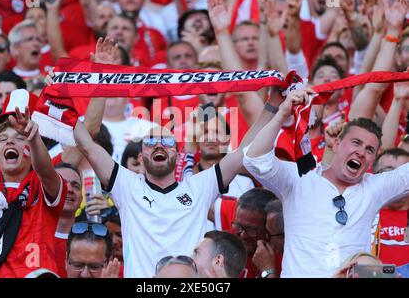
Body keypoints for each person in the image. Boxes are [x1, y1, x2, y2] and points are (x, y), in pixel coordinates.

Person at [73, 105, 262, 276]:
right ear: (140, 157)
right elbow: (87, 145)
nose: (159, 145)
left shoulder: (199, 186)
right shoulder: (126, 184)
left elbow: (244, 150)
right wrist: (59, 105)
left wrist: (274, 108)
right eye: (150, 142)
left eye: (168, 142)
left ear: (177, 155)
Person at [244, 88, 409, 277]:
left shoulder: (374, 187)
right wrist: (282, 113)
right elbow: (254, 159)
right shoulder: (299, 179)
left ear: (373, 159)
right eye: (355, 143)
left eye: (370, 149)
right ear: (337, 143)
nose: (361, 152)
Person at [0, 89, 67, 278]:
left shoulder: (45, 185)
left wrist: (33, 138)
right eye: (3, 139)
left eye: (20, 138)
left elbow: (44, 169)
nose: (10, 142)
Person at [371, 148, 409, 269]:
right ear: (375, 177)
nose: (397, 180)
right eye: (389, 172)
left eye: (403, 174)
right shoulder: (362, 213)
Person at [54, 163, 83, 279]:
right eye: (62, 182)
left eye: (76, 186)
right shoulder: (30, 235)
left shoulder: (90, 239)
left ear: (81, 199)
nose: (69, 189)